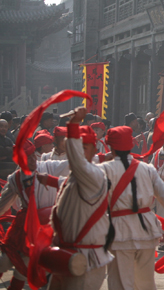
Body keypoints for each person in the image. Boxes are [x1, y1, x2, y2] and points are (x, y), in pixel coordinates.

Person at [100, 125, 164, 290]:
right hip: (147, 231)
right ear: (130, 146)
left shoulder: (104, 170)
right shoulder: (147, 169)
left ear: (111, 147)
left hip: (119, 232)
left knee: (121, 283)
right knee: (146, 283)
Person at [48, 107, 113, 290]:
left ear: (94, 149)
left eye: (83, 147)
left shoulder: (93, 174)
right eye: (78, 145)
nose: (77, 151)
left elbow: (75, 158)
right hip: (67, 254)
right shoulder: (77, 174)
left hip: (86, 259)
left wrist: (74, 124)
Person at [0, 140, 68, 290]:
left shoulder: (48, 166)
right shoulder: (14, 178)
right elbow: (3, 204)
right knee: (5, 261)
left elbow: (71, 164)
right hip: (24, 229)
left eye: (33, 156)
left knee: (24, 270)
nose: (32, 160)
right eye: (27, 157)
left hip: (46, 228)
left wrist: (102, 158)